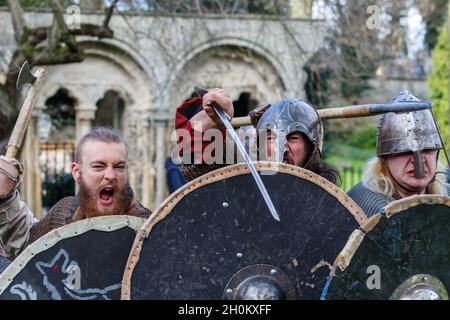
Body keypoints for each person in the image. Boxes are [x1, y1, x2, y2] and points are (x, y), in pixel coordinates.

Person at [0, 127, 151, 261]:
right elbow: (28, 247)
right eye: (99, 166)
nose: (110, 175)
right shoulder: (64, 213)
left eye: (119, 167)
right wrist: (7, 198)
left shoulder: (151, 228)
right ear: (77, 173)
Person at [174, 88, 339, 183]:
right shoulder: (245, 178)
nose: (282, 146)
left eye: (292, 138)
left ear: (311, 147)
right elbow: (193, 158)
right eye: (271, 137)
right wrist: (214, 119)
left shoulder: (323, 199)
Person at [347, 90, 450, 217]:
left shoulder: (446, 197)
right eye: (404, 150)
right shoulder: (363, 204)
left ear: (437, 153)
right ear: (385, 159)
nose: (418, 160)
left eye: (427, 149)